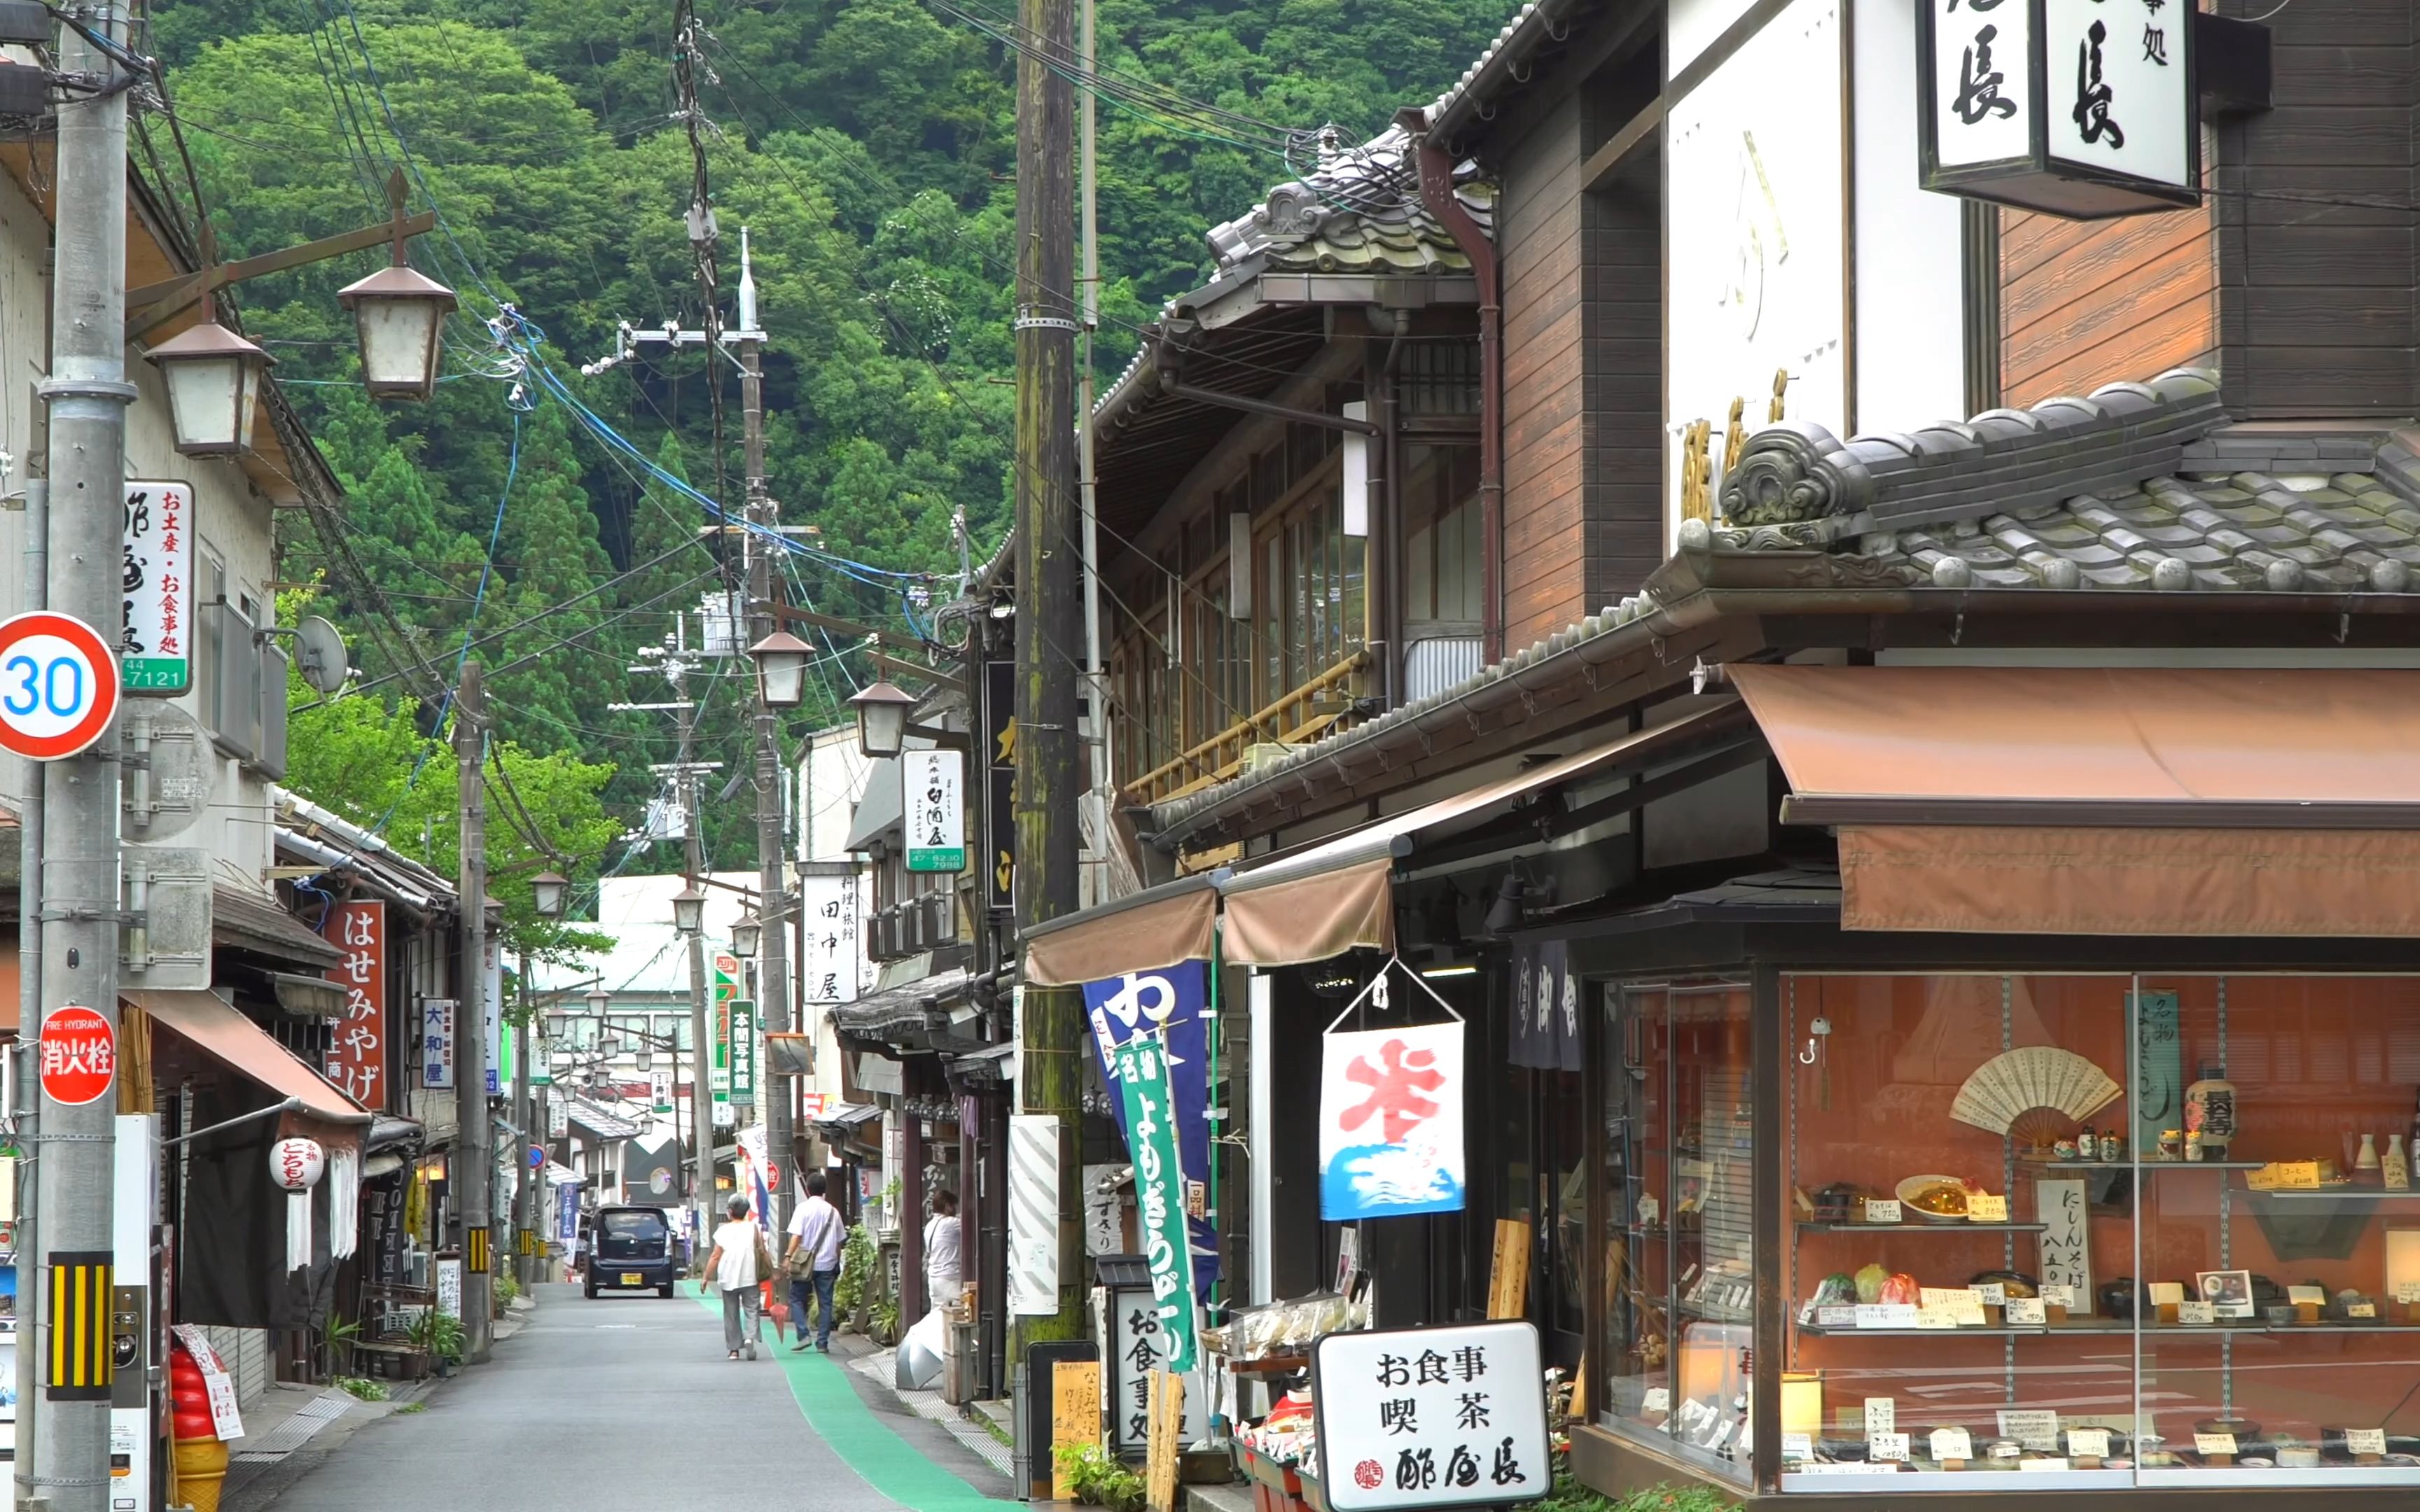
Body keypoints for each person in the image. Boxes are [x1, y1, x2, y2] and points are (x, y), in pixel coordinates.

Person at [784, 1170, 846, 1353]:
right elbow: (839, 1241)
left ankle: (803, 1335)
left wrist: (788, 1256)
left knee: (796, 1298)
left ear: (808, 1190)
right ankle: (822, 1343)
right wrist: (837, 1261)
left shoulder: (802, 1209)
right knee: (826, 1303)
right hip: (827, 1263)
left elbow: (797, 1236)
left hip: (804, 1264)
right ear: (824, 1190)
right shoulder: (833, 1212)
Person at [700, 1194, 767, 1361]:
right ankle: (750, 1337)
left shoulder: (723, 1231)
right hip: (750, 1275)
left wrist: (706, 1277)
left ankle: (734, 1351)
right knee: (752, 1309)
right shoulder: (753, 1228)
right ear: (746, 1211)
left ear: (730, 1212)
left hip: (728, 1277)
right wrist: (772, 1272)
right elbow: (763, 1252)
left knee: (731, 1313)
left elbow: (715, 1256)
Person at [923, 1188, 963, 1312]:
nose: (955, 1209)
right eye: (954, 1206)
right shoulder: (951, 1223)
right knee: (957, 1314)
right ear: (947, 1207)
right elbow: (970, 1223)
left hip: (934, 1278)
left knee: (937, 1315)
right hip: (950, 1277)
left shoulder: (929, 1225)